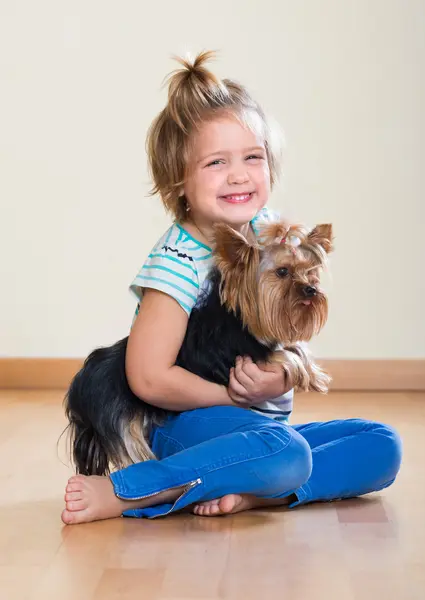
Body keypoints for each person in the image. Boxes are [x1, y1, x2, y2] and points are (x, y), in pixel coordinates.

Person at [61, 51, 402, 525]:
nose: (239, 174)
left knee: (380, 444)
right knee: (285, 452)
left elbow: (281, 338)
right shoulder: (175, 264)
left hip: (255, 429)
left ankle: (255, 493)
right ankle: (130, 492)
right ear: (179, 181)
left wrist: (279, 380)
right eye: (216, 162)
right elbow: (147, 378)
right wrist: (234, 397)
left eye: (252, 158)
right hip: (183, 427)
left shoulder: (267, 231)